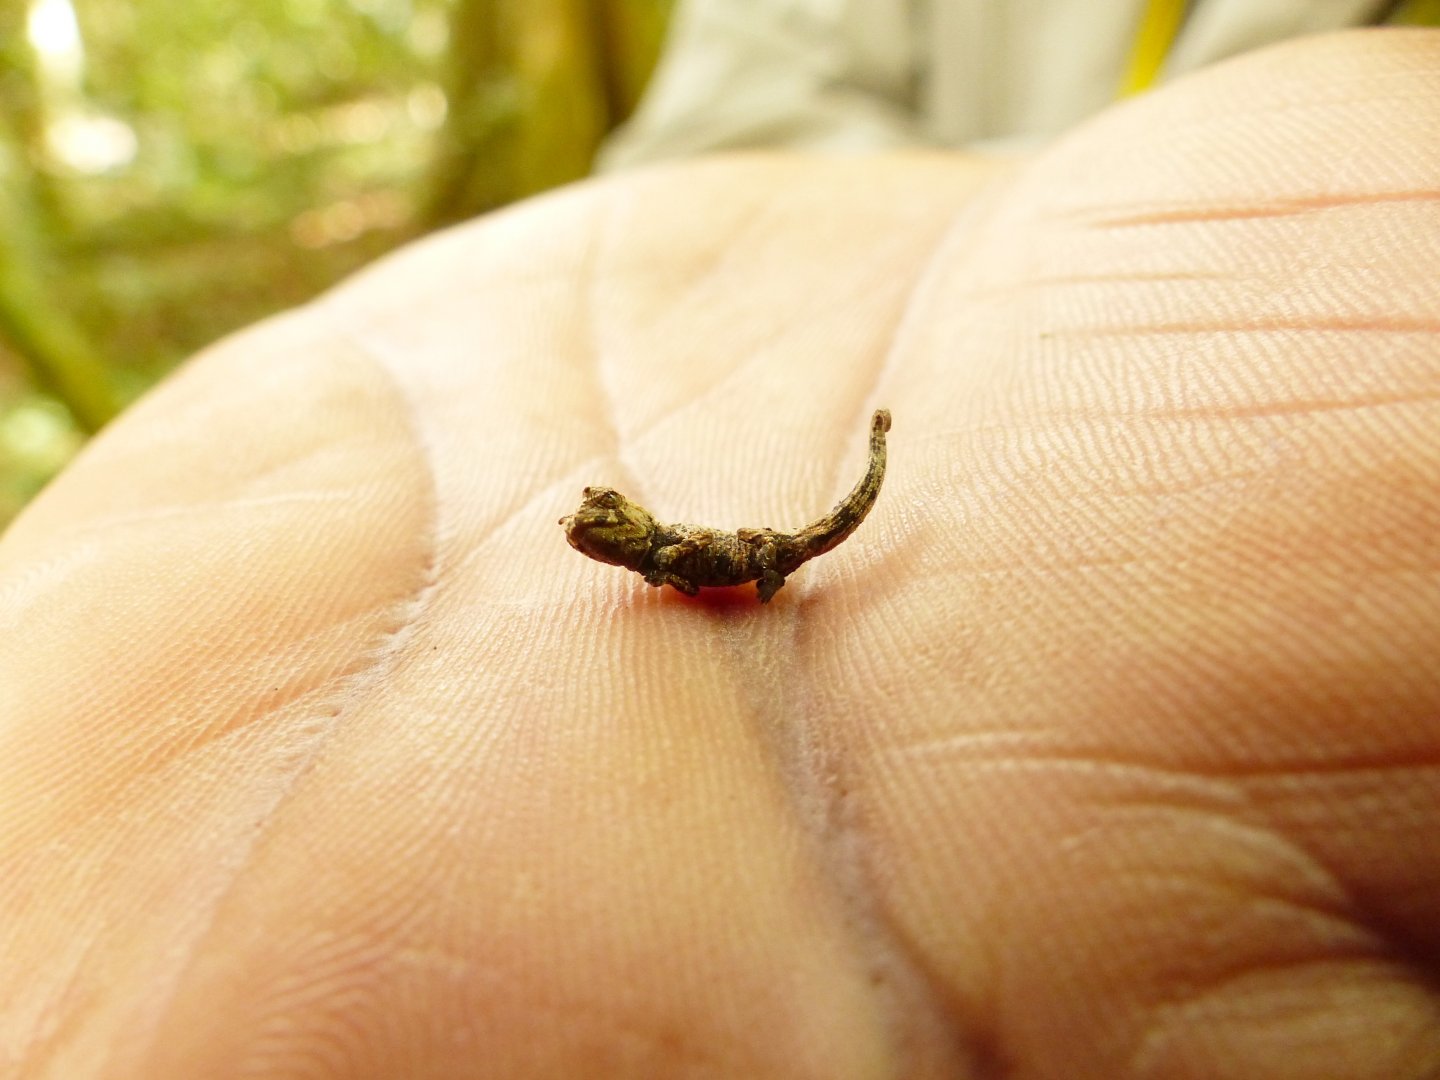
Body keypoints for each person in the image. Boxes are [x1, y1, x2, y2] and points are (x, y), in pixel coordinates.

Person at [1, 25, 1438, 1079]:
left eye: (600, 533)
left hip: (790, 526)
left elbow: (732, 558)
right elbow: (748, 84)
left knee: (808, 532)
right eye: (602, 537)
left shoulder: (695, 560)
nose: (593, 542)